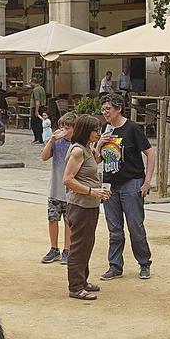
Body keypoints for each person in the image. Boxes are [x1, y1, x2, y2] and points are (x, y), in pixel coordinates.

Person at [98, 93, 154, 281]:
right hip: (109, 184)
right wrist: (100, 143)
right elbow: (98, 159)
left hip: (132, 182)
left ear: (118, 109)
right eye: (103, 109)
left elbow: (150, 153)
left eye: (108, 109)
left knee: (135, 226)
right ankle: (115, 265)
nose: (105, 112)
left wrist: (147, 181)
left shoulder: (132, 129)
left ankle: (144, 262)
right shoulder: (105, 129)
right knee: (114, 229)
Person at [62, 113, 110, 302]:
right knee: (79, 246)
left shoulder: (87, 149)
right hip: (80, 204)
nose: (98, 133)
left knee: (87, 243)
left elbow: (91, 166)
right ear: (86, 132)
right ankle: (75, 286)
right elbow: (67, 179)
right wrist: (92, 191)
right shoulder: (77, 151)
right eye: (95, 131)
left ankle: (82, 280)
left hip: (90, 205)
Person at [37, 113, 73, 266]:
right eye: (62, 127)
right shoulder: (56, 142)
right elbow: (44, 157)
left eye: (67, 128)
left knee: (69, 221)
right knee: (53, 219)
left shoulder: (77, 144)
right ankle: (54, 248)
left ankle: (67, 249)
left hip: (71, 191)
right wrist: (51, 140)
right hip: (55, 189)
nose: (64, 130)